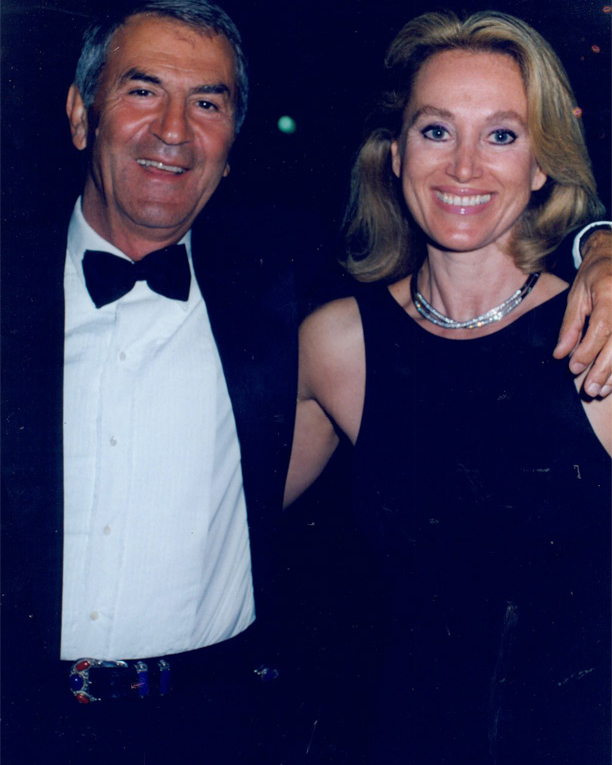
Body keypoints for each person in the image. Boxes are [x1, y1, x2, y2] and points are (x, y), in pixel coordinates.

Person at [285, 11, 611, 763]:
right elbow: (225, 524)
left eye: (501, 135)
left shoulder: (597, 333)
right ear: (396, 153)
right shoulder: (337, 344)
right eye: (437, 130)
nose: (464, 167)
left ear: (541, 164)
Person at [1, 2, 302, 762]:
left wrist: (586, 245)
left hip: (209, 730)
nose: (173, 130)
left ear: (230, 146)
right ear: (82, 115)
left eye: (208, 103)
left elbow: (454, 282)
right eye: (142, 90)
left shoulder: (286, 302)